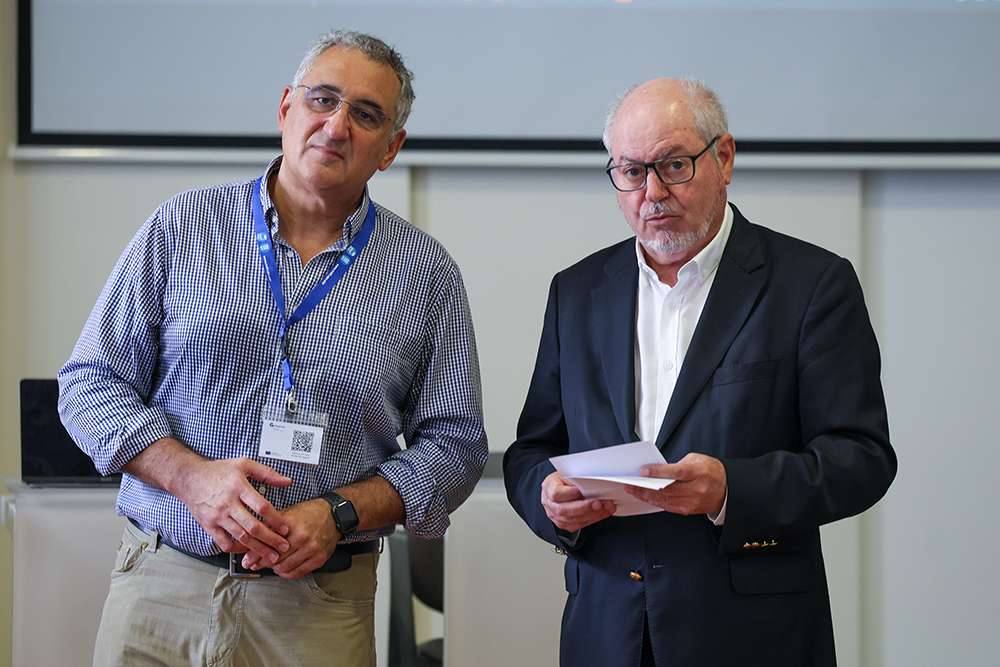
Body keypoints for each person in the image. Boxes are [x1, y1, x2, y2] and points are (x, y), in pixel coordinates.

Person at [58, 29, 487, 667]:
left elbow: (455, 446)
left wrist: (338, 511)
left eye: (366, 115)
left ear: (391, 148)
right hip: (162, 587)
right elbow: (90, 382)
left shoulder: (426, 273)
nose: (337, 126)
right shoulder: (183, 227)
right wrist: (193, 480)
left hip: (318, 604)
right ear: (286, 108)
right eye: (323, 99)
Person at [503, 78, 896, 667]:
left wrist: (731, 489)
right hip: (605, 632)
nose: (653, 192)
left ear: (724, 157)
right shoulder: (577, 292)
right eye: (631, 172)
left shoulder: (811, 284)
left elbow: (861, 458)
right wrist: (547, 501)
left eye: (674, 164)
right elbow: (532, 449)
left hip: (752, 636)